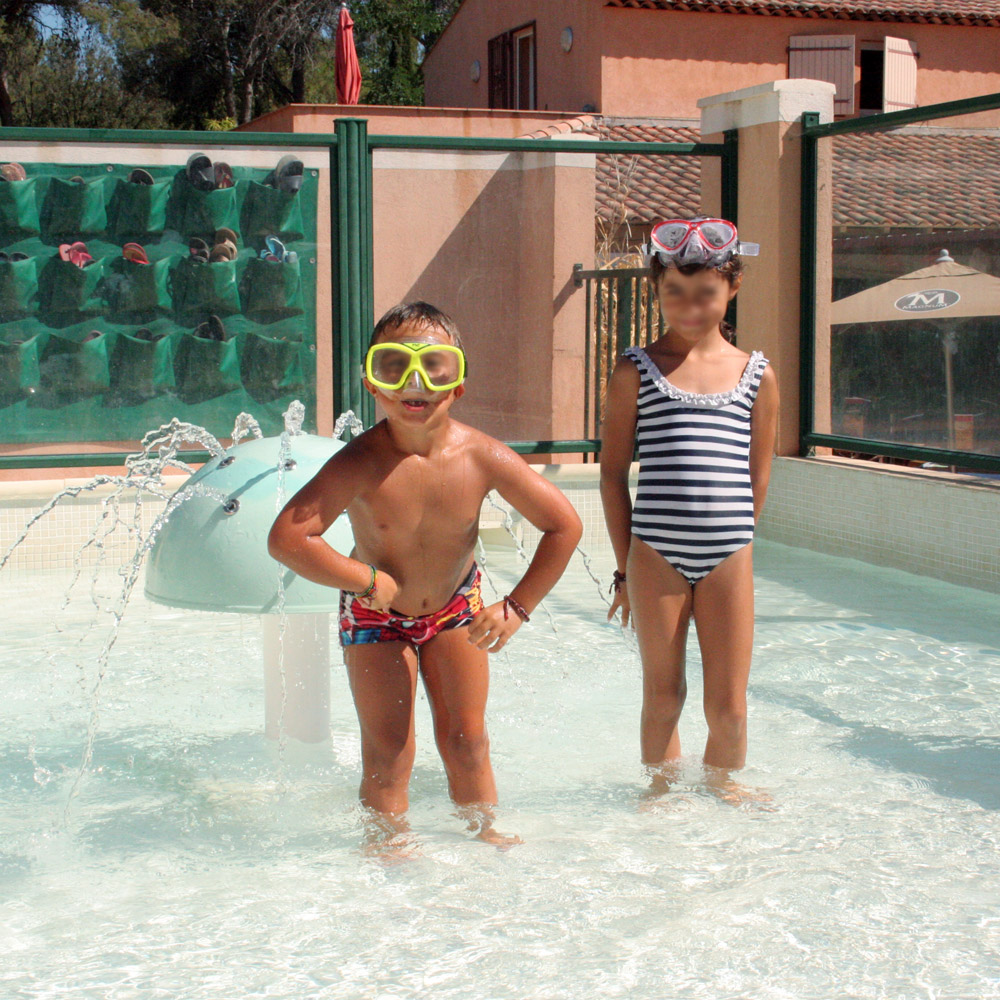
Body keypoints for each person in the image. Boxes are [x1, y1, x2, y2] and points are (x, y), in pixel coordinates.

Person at [268, 301, 582, 846]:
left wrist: (516, 607)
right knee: (389, 750)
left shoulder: (481, 456)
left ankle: (483, 833)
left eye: (434, 366)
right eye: (394, 366)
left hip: (456, 611)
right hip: (376, 618)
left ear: (458, 384)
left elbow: (564, 525)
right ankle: (387, 845)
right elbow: (288, 538)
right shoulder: (360, 461)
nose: (415, 382)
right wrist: (363, 580)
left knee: (468, 740)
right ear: (371, 381)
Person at [599, 218, 779, 796]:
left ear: (733, 287)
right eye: (674, 291)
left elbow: (759, 474)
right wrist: (625, 566)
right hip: (655, 552)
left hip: (729, 552)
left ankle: (724, 788)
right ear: (656, 290)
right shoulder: (635, 370)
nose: (689, 305)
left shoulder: (758, 375)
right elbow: (610, 476)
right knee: (663, 694)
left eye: (705, 293)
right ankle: (660, 791)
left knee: (729, 706)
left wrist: (739, 543)